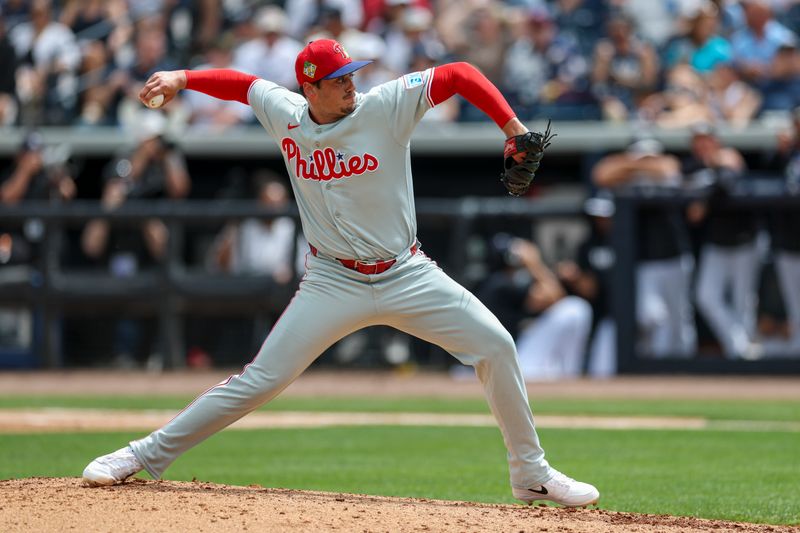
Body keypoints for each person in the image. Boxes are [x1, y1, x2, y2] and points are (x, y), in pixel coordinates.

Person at [81, 38, 599, 508]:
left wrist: (513, 129)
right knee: (259, 380)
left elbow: (461, 71)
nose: (352, 84)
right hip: (333, 280)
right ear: (309, 88)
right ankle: (140, 456)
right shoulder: (285, 112)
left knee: (497, 345)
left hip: (406, 272)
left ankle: (530, 474)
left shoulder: (385, 107)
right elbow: (242, 85)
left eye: (352, 74)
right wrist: (181, 78)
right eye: (339, 79)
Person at [593, 138, 697, 358]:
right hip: (642, 259)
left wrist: (643, 164)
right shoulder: (627, 174)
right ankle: (654, 367)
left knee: (678, 319)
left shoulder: (664, 168)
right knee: (651, 317)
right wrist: (636, 164)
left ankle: (683, 370)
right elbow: (601, 174)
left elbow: (670, 168)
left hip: (673, 256)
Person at [684, 123, 760, 358]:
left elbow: (727, 185)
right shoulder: (693, 167)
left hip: (744, 240)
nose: (703, 145)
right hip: (715, 242)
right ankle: (739, 348)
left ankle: (742, 357)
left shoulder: (731, 160)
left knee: (743, 302)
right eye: (699, 141)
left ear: (717, 142)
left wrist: (705, 199)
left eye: (707, 140)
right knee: (705, 296)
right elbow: (690, 207)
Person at [476, 234, 593, 381]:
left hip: (503, 353)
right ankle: (569, 375)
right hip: (511, 357)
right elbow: (555, 297)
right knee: (575, 308)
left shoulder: (497, 281)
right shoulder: (502, 284)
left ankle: (565, 374)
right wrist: (535, 263)